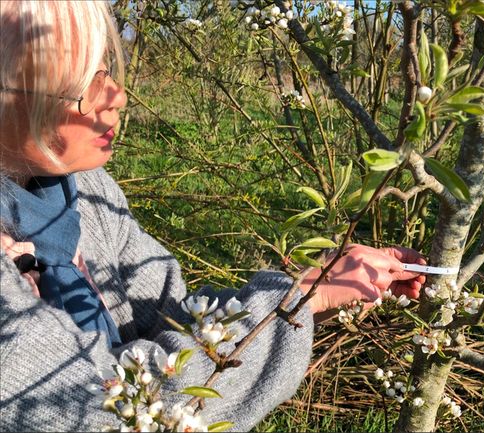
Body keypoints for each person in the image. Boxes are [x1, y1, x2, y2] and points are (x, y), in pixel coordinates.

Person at [0, 1, 426, 431]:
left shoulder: (79, 190)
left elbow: (176, 318)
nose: (117, 97)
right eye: (81, 86)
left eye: (106, 68)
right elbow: (113, 414)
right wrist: (305, 295)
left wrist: (318, 286)